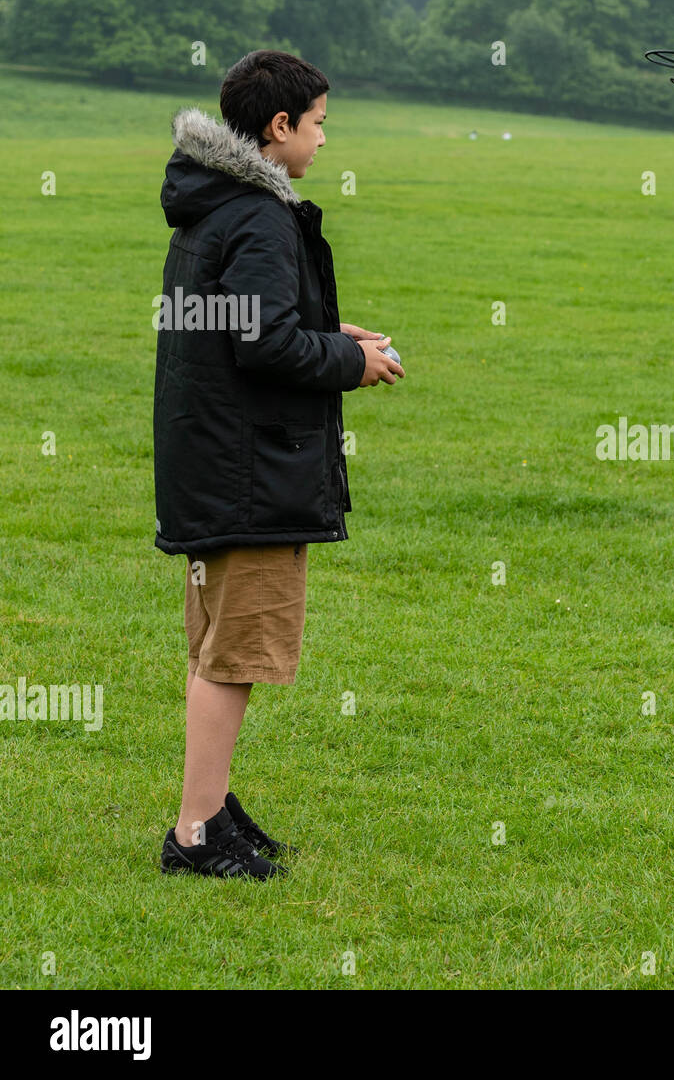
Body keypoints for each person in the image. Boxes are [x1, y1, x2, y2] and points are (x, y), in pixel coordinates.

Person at [153, 49, 404, 879]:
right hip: (248, 475)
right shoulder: (258, 213)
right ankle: (195, 834)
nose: (326, 140)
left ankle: (211, 805)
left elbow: (236, 326)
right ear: (279, 127)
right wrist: (349, 363)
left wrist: (339, 336)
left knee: (216, 652)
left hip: (210, 464)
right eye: (321, 123)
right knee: (235, 658)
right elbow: (263, 345)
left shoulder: (210, 205)